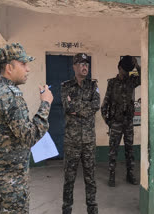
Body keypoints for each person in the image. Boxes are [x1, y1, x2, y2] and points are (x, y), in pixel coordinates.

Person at [0, 43, 53, 213]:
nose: (28, 69)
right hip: (11, 183)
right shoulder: (11, 96)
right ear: (9, 68)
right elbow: (29, 136)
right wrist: (46, 104)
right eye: (23, 64)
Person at [61, 53, 100, 214]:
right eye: (81, 64)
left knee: (90, 179)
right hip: (72, 141)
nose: (85, 67)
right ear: (74, 67)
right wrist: (85, 107)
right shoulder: (66, 86)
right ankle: (66, 209)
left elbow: (96, 105)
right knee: (69, 179)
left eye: (87, 64)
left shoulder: (93, 85)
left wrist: (77, 107)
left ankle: (92, 209)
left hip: (89, 141)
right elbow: (67, 107)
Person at [101, 55, 140, 187]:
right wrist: (109, 122)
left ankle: (130, 174)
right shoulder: (112, 83)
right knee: (113, 151)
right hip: (116, 122)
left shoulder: (132, 81)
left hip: (128, 122)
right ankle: (112, 176)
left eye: (128, 70)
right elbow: (104, 104)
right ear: (119, 68)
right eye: (124, 70)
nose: (126, 72)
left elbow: (144, 77)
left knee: (130, 150)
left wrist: (136, 66)